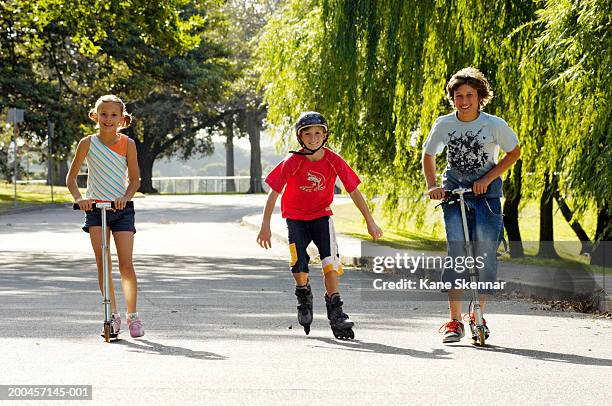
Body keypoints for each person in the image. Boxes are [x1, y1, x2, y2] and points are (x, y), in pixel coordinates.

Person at [257, 112, 383, 339]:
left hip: (321, 216)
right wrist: (265, 225)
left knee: (330, 261)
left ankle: (337, 310)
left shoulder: (333, 160)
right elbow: (274, 193)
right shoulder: (292, 162)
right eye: (307, 133)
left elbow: (354, 190)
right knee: (299, 263)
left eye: (318, 133)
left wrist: (369, 221)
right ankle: (303, 294)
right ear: (300, 137)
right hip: (295, 218)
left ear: (325, 135)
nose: (313, 137)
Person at [422, 67, 520, 343]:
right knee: (456, 250)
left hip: (486, 196)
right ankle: (454, 321)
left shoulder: (494, 124)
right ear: (452, 98)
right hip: (455, 193)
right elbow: (428, 155)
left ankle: (477, 314)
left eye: (469, 95)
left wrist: (488, 178)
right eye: (458, 96)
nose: (464, 101)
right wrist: (433, 186)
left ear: (480, 97)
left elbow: (514, 152)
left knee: (486, 251)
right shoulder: (444, 125)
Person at [66, 94, 144, 338]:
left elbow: (135, 179)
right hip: (95, 209)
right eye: (103, 114)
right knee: (103, 262)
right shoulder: (87, 143)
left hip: (121, 210)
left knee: (126, 264)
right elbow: (71, 178)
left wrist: (126, 196)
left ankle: (133, 315)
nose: (108, 119)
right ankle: (113, 314)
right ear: (95, 116)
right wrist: (80, 198)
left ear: (122, 119)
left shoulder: (128, 144)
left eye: (113, 115)